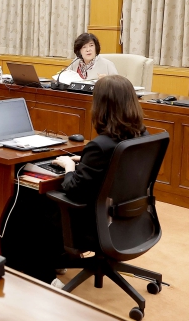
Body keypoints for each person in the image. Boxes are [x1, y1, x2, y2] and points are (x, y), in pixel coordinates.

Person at [46, 74, 148, 286]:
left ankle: (43, 272)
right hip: (131, 221)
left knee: (32, 200)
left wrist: (69, 166)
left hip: (95, 227)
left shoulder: (100, 146)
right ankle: (59, 259)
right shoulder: (142, 137)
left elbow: (73, 189)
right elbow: (113, 166)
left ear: (102, 107)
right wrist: (86, 161)